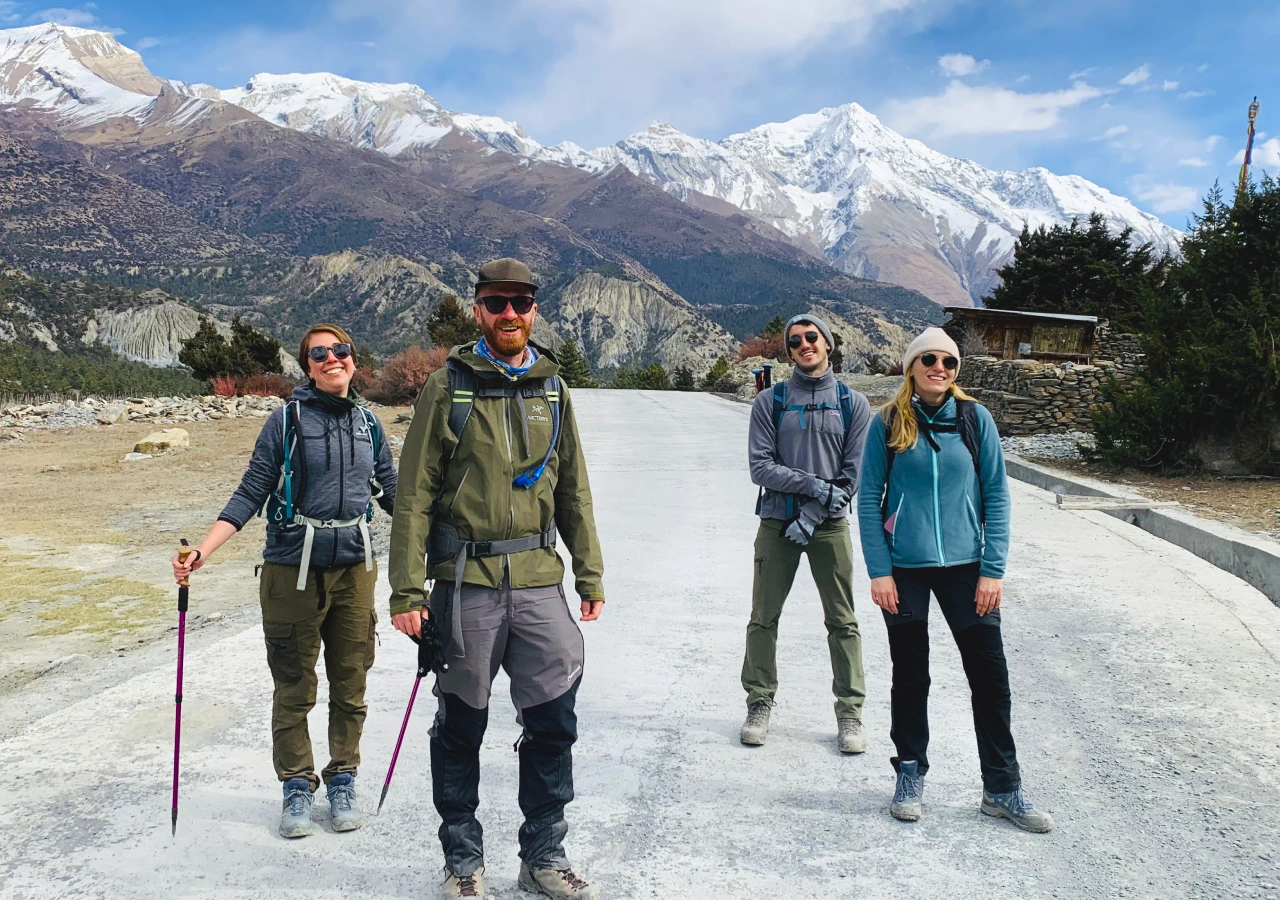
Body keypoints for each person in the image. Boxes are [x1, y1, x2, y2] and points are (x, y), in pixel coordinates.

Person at [388, 258, 606, 900]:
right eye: (496, 303)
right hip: (466, 582)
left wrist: (590, 572)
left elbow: (575, 490)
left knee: (553, 718)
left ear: (535, 309)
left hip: (540, 581)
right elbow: (414, 495)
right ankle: (462, 861)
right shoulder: (447, 386)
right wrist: (407, 590)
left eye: (521, 303)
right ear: (478, 309)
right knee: (461, 725)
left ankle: (544, 854)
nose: (509, 314)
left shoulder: (552, 388)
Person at [170, 323, 397, 838]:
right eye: (319, 354)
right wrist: (203, 550)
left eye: (340, 350)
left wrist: (437, 540)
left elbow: (394, 494)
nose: (331, 359)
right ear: (307, 367)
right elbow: (252, 490)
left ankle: (343, 776)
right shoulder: (286, 421)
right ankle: (297, 784)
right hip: (290, 569)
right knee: (294, 682)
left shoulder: (369, 423)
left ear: (354, 359)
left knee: (351, 680)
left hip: (355, 569)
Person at [856, 326, 1055, 832]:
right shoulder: (887, 423)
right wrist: (880, 571)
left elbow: (997, 496)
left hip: (968, 570)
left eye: (948, 360)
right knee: (911, 675)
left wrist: (993, 570)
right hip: (905, 570)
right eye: (928, 359)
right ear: (911, 367)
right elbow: (868, 500)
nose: (939, 367)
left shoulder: (974, 419)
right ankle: (909, 772)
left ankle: (1002, 788)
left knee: (990, 677)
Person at [741, 315, 872, 753]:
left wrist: (813, 514)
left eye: (811, 337)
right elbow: (760, 468)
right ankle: (759, 702)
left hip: (827, 524)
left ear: (828, 344)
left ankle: (850, 713)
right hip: (777, 523)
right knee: (764, 617)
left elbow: (853, 475)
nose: (803, 345)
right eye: (794, 341)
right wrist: (815, 486)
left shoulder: (854, 404)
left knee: (842, 620)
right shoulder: (770, 402)